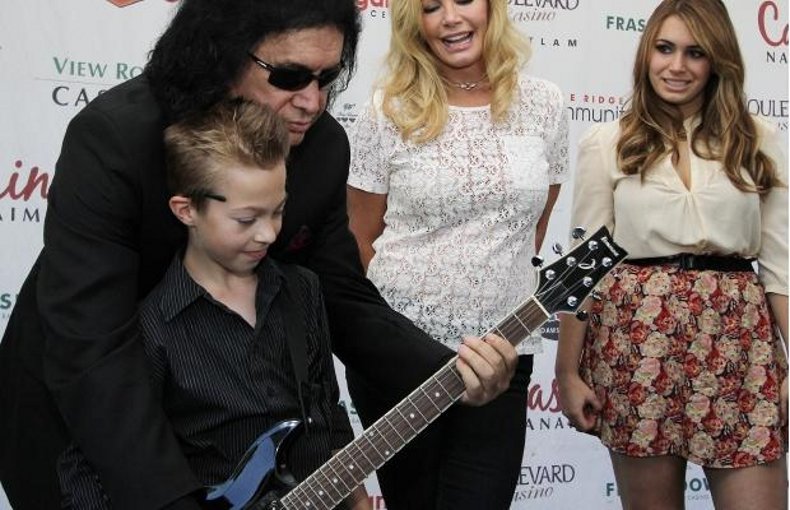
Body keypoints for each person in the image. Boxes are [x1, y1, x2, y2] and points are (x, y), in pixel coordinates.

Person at [0, 1, 518, 509]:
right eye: (290, 76)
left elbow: (342, 297)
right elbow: (93, 352)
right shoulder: (116, 137)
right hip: (81, 424)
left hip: (219, 441)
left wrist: (450, 374)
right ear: (222, 55)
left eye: (327, 77)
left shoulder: (321, 149)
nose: (312, 101)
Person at [57, 98, 370, 509]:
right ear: (186, 210)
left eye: (278, 212)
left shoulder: (303, 290)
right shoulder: (153, 327)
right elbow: (93, 464)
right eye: (246, 220)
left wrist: (354, 492)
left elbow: (325, 410)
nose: (268, 235)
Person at [557, 1, 788, 509]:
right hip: (638, 343)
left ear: (717, 61)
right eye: (664, 49)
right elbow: (581, 268)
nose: (676, 66)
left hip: (739, 344)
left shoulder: (759, 142)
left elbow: (780, 270)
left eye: (694, 52)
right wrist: (566, 372)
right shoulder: (608, 142)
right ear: (646, 54)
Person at [346, 0, 568, 507]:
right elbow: (360, 241)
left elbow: (532, 228)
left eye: (464, 0)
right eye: (429, 7)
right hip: (399, 362)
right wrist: (387, 344)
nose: (450, 18)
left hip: (502, 353)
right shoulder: (386, 110)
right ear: (412, 24)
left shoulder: (545, 104)